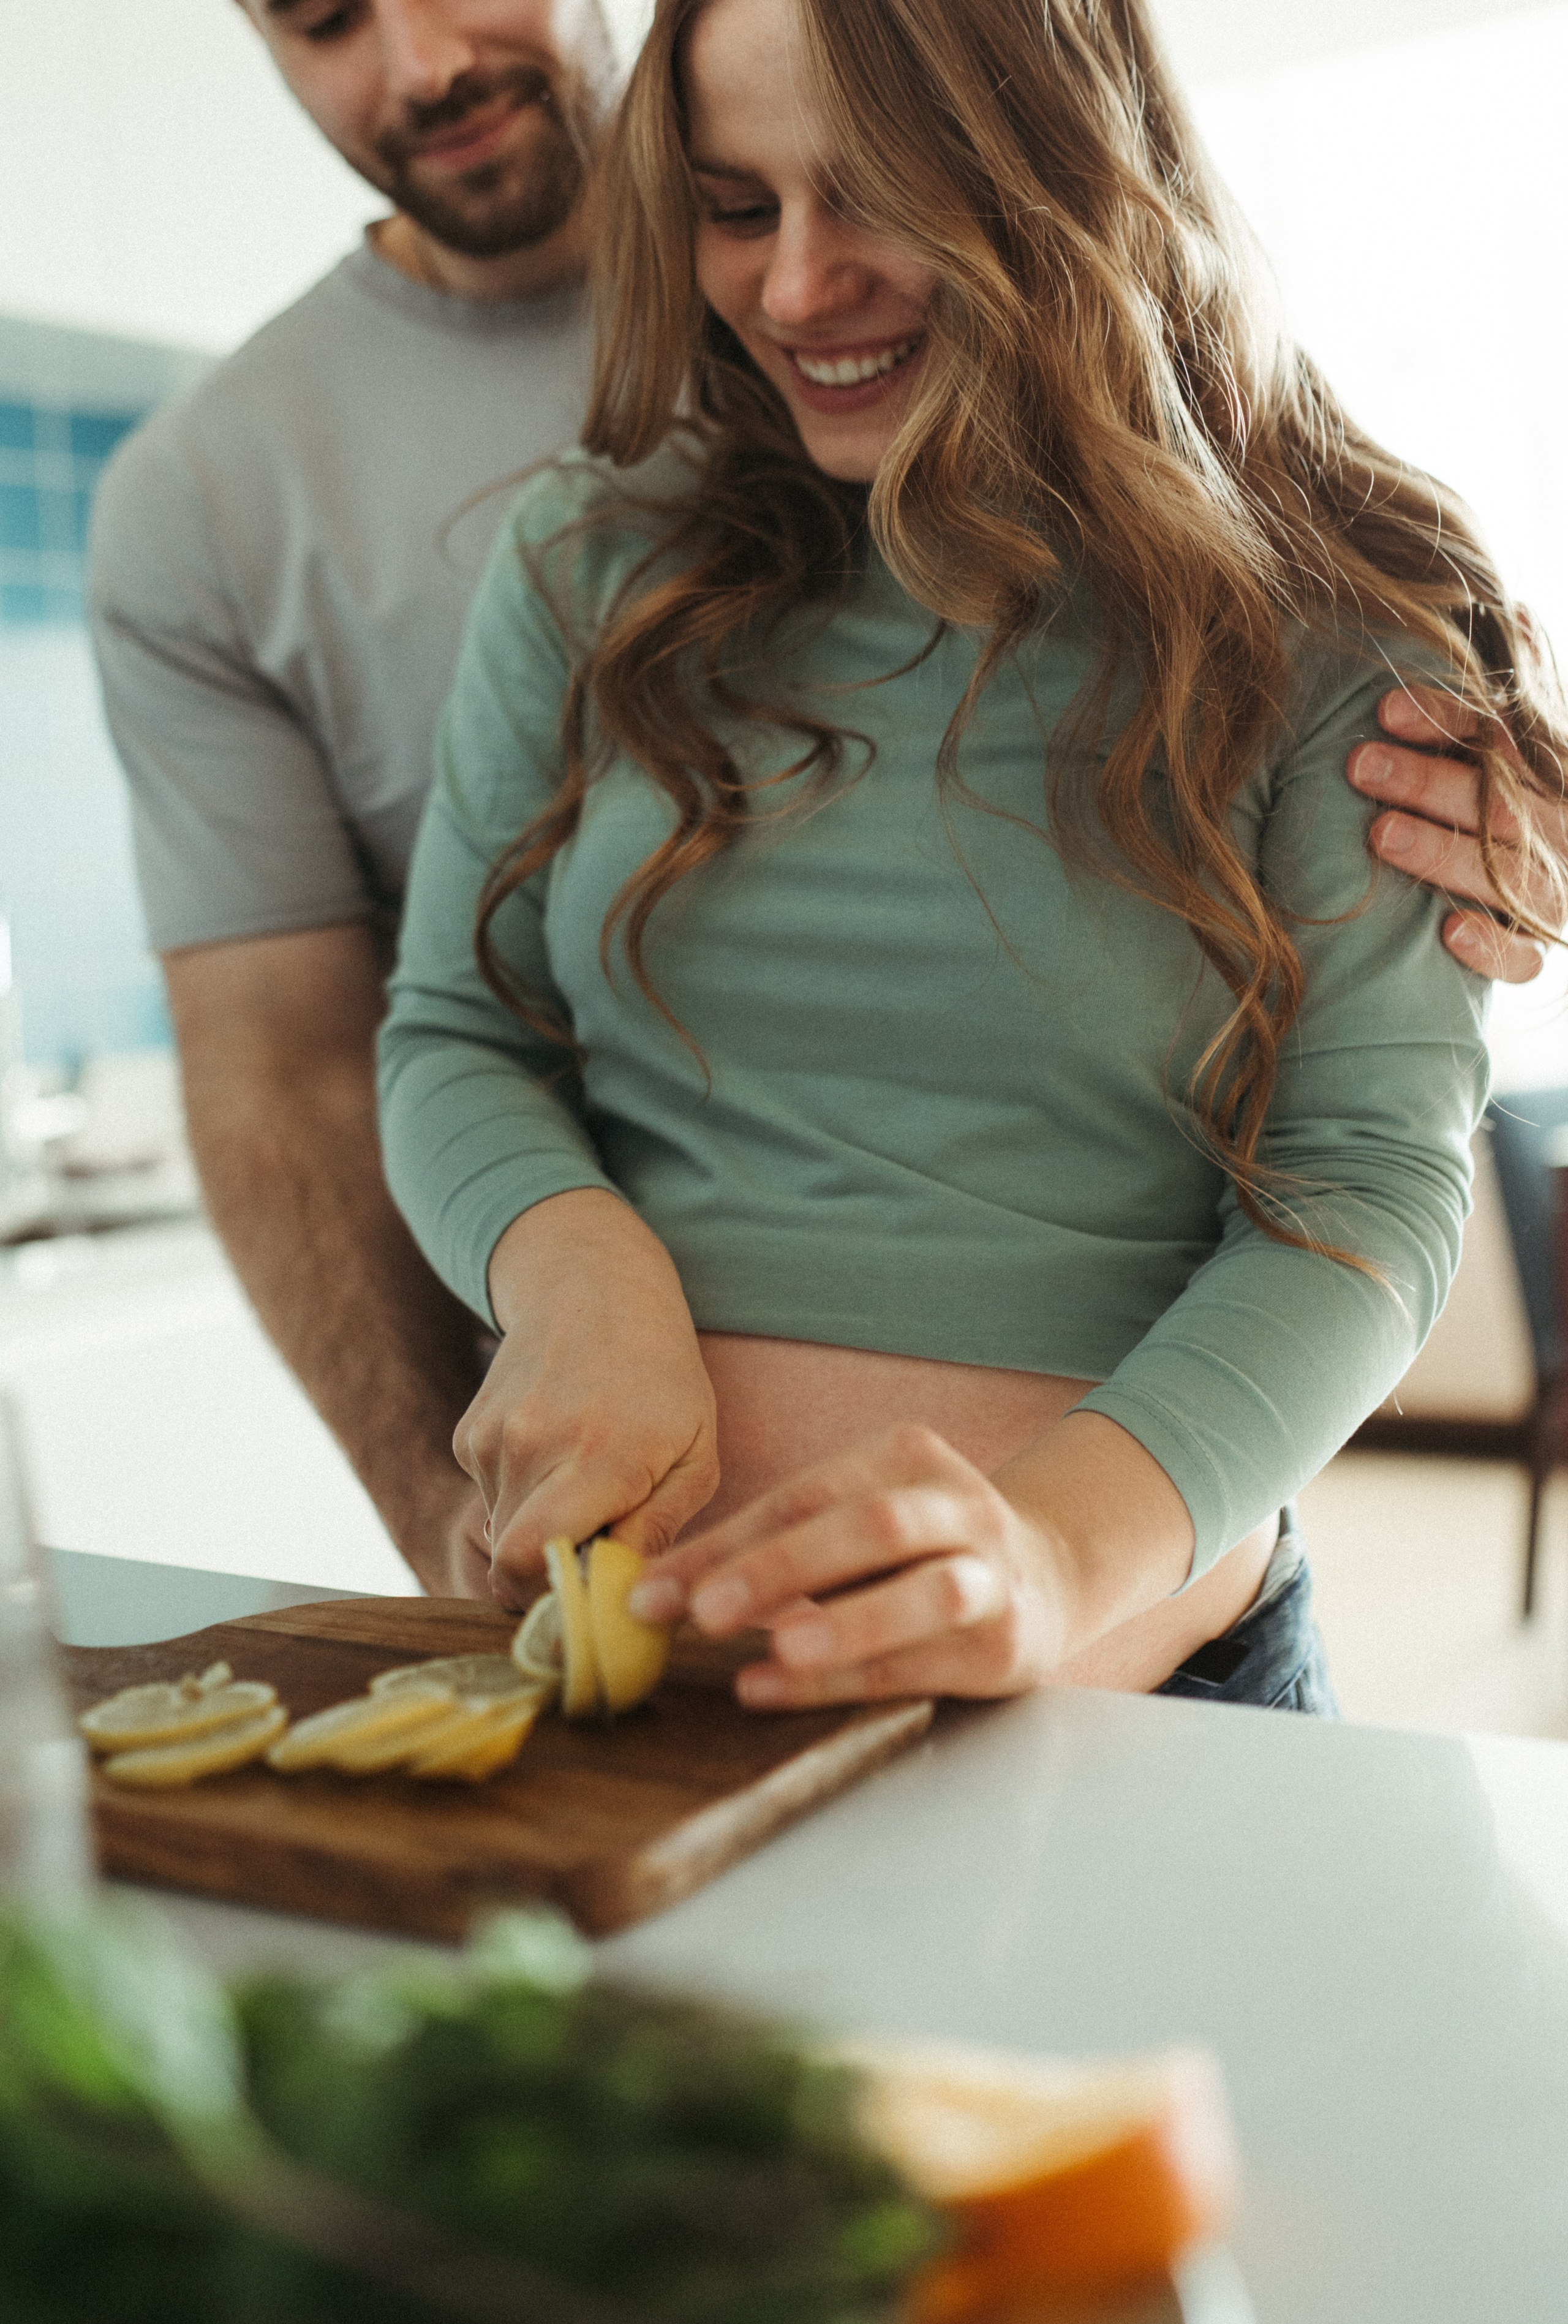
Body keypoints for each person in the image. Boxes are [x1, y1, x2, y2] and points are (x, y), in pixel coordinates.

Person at [89, 0, 1555, 1613]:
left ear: (1047, 173)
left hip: (1138, 1678)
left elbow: (1362, 1176)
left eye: (882, 191)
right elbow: (427, 1031)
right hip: (652, 1678)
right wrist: (578, 1275)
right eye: (735, 209)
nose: (796, 285)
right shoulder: (568, 548)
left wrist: (1058, 1558)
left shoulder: (1332, 618)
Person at [86, 0, 612, 1596]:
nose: (419, 66)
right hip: (623, 1536)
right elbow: (286, 1068)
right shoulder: (207, 497)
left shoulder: (858, 289)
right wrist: (435, 1521)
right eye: (324, 18)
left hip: (1109, 1511)